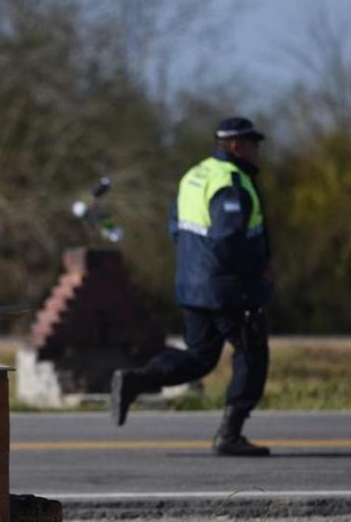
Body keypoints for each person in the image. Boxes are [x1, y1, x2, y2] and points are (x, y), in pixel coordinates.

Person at [110, 117, 273, 457]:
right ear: (235, 145)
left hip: (192, 284)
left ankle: (137, 380)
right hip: (226, 287)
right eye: (253, 143)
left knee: (200, 356)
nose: (258, 150)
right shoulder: (231, 181)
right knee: (252, 351)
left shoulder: (194, 175)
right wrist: (252, 278)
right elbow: (229, 239)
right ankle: (230, 433)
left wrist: (195, 267)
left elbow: (176, 227)